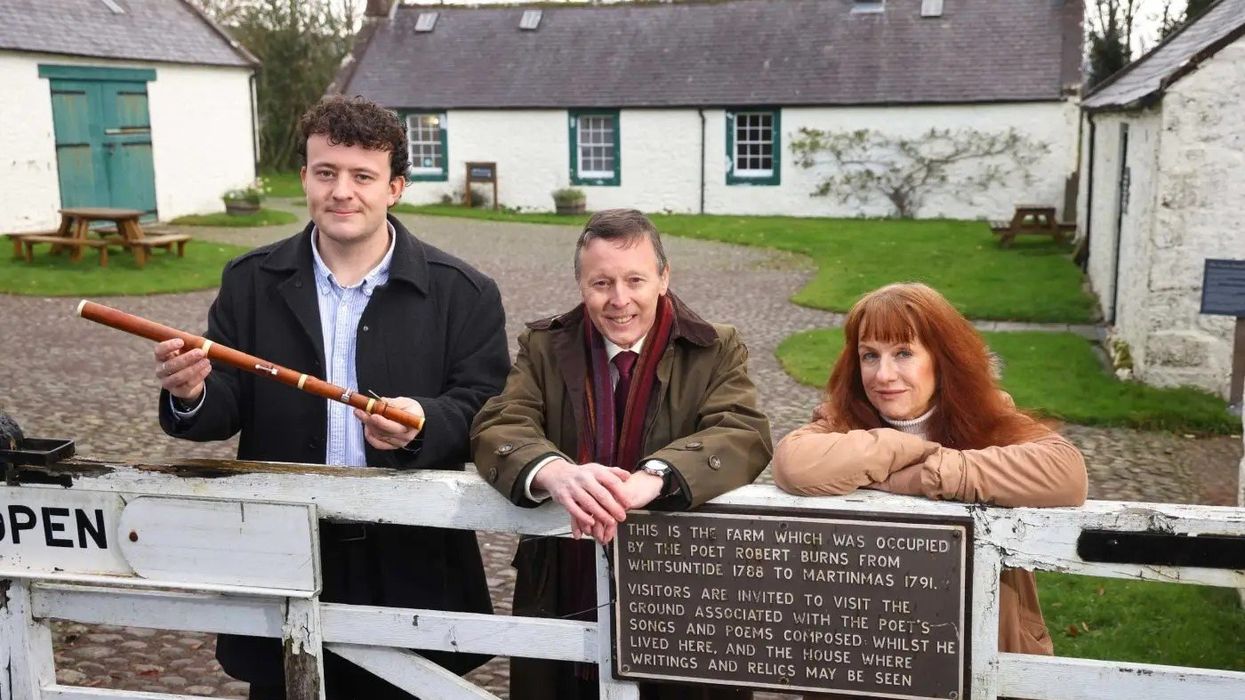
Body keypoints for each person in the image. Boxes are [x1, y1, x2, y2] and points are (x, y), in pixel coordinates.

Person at [153, 95, 510, 699]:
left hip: (410, 552)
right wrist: (193, 392)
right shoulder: (250, 279)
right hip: (284, 546)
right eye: (326, 172)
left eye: (362, 176)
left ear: (394, 186)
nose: (342, 191)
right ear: (304, 179)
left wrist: (426, 424)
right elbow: (225, 408)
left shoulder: (465, 292)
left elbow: (488, 405)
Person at [471, 209, 772, 699]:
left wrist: (655, 477)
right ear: (579, 283)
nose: (619, 300)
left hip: (687, 588)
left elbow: (742, 431)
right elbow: (501, 422)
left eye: (635, 279)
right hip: (561, 584)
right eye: (600, 283)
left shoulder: (715, 347)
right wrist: (554, 472)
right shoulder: (545, 346)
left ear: (664, 277)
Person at [771, 282, 1087, 657]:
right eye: (870, 356)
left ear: (942, 358)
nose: (883, 375)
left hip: (982, 646)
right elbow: (794, 463)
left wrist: (926, 475)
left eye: (903, 353)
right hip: (872, 645)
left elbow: (1066, 471)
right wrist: (901, 447)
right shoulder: (843, 420)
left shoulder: (988, 418)